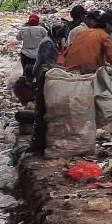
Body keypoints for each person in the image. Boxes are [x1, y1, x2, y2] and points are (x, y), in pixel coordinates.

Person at [29, 22, 64, 152]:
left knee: (44, 107)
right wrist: (62, 69)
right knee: (42, 107)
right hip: (42, 74)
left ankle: (41, 140)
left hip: (45, 73)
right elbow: (46, 62)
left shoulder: (51, 41)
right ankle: (38, 141)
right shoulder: (48, 43)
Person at [17, 14, 48, 78]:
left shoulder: (23, 29)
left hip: (25, 53)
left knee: (25, 72)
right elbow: (47, 38)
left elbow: (18, 38)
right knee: (38, 72)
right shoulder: (41, 29)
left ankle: (25, 84)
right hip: (38, 53)